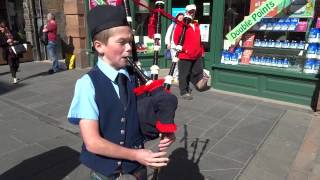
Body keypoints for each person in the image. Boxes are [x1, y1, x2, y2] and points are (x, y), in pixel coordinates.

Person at [67, 5, 175, 180]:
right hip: (105, 173)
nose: (129, 48)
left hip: (138, 170)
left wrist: (165, 127)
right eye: (121, 42)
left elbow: (144, 119)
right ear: (99, 46)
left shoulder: (137, 77)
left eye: (130, 41)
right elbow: (93, 142)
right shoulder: (87, 84)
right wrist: (137, 155)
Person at [173, 4, 205, 100]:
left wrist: (201, 50)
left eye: (193, 12)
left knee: (197, 71)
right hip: (185, 55)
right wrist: (185, 49)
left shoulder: (196, 24)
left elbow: (199, 39)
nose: (192, 13)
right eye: (190, 11)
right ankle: (184, 91)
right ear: (186, 12)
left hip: (196, 54)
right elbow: (176, 40)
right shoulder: (181, 24)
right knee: (184, 74)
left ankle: (195, 85)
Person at [164, 13, 184, 83]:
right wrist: (168, 43)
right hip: (173, 46)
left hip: (181, 47)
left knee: (180, 62)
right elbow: (168, 34)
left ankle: (175, 75)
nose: (181, 19)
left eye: (182, 18)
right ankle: (175, 76)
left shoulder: (184, 26)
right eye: (180, 17)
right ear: (177, 18)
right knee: (175, 61)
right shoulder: (173, 25)